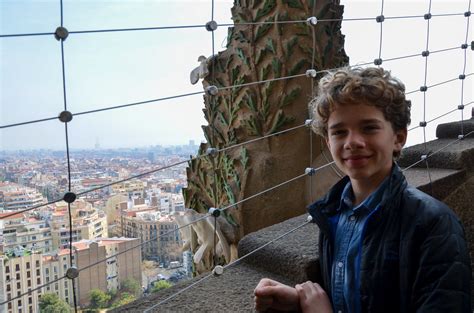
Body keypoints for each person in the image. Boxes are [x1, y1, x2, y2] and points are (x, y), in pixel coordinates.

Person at [254, 67, 471, 313]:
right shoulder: (334, 214)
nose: (352, 142)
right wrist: (298, 301)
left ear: (398, 138)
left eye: (369, 128)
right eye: (339, 132)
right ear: (328, 142)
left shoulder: (434, 224)